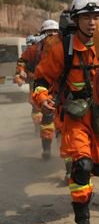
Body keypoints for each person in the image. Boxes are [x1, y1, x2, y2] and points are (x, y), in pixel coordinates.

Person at [33, 0, 99, 224]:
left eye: (97, 17)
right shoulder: (61, 49)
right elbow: (42, 79)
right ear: (76, 20)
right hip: (75, 117)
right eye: (86, 17)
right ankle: (83, 221)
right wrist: (42, 97)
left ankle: (86, 185)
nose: (92, 22)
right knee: (81, 167)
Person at [15, 19, 59, 158]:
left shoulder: (65, 47)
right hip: (42, 87)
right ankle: (46, 149)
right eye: (48, 32)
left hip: (62, 87)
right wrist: (21, 71)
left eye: (54, 31)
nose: (52, 34)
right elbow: (22, 61)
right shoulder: (36, 49)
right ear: (42, 33)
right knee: (46, 119)